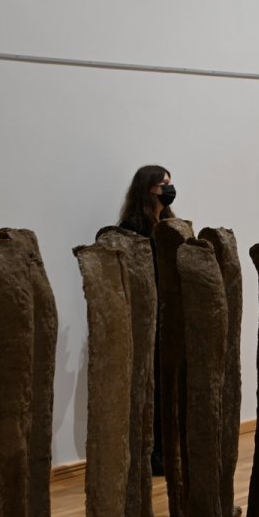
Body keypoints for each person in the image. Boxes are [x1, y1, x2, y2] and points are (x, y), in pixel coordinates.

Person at [118, 165, 177, 476]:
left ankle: (171, 450)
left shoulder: (169, 223)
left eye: (169, 182)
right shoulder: (133, 229)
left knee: (170, 384)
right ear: (147, 189)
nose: (168, 188)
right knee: (150, 385)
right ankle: (152, 453)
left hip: (169, 314)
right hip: (146, 317)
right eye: (162, 184)